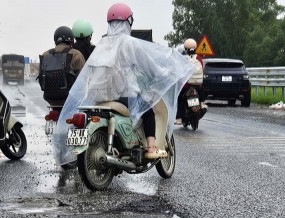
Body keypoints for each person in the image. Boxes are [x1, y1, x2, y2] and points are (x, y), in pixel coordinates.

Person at [52, 3, 192, 165]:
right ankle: (152, 147)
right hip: (121, 97)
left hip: (98, 98)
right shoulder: (129, 43)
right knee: (148, 111)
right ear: (128, 22)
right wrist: (164, 74)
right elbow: (150, 67)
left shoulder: (103, 44)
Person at [38, 26, 85, 110]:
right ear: (71, 39)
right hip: (71, 99)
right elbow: (83, 79)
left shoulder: (45, 54)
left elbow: (41, 77)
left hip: (50, 99)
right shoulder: (76, 54)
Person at [175, 38, 204, 124]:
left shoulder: (183, 59)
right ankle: (202, 103)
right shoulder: (199, 58)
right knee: (201, 89)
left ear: (185, 48)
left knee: (179, 98)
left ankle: (179, 118)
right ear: (195, 48)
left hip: (186, 85)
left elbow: (179, 70)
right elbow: (202, 69)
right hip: (197, 84)